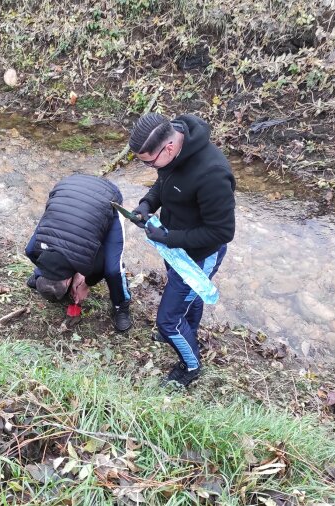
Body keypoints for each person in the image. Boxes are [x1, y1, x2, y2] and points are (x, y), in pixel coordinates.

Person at [126, 112, 236, 387]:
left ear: (169, 148)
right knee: (189, 298)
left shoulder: (213, 174)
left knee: (167, 321)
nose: (150, 167)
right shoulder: (172, 149)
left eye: (149, 162)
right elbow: (164, 182)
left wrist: (168, 237)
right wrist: (147, 204)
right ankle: (187, 331)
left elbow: (222, 232)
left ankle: (191, 366)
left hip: (198, 257)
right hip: (175, 247)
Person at [25, 174, 132, 332]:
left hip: (107, 199)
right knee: (49, 230)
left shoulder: (93, 267)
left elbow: (99, 270)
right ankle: (44, 274)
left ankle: (121, 306)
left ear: (69, 281)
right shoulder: (32, 250)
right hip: (67, 187)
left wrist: (85, 284)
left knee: (112, 269)